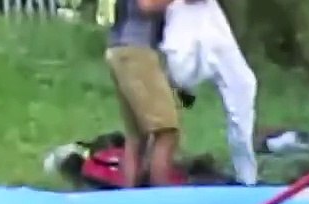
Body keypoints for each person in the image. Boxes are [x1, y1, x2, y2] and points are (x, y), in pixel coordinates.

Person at [159, 0, 258, 186]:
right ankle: (178, 90)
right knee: (182, 74)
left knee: (243, 85)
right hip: (185, 23)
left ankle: (247, 177)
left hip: (208, 20)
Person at [105, 0, 180, 188]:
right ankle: (160, 198)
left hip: (121, 50)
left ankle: (129, 197)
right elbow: (147, 4)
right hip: (136, 52)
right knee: (166, 132)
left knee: (136, 134)